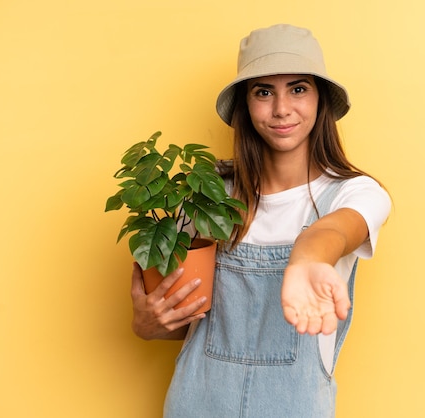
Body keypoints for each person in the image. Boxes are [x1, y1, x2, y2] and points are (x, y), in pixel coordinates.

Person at [130, 24, 391, 417]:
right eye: (263, 91)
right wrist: (150, 324)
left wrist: (305, 259)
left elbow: (335, 230)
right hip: (197, 402)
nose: (281, 108)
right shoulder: (208, 194)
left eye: (298, 89)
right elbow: (186, 313)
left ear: (320, 99)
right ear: (245, 105)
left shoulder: (357, 193)